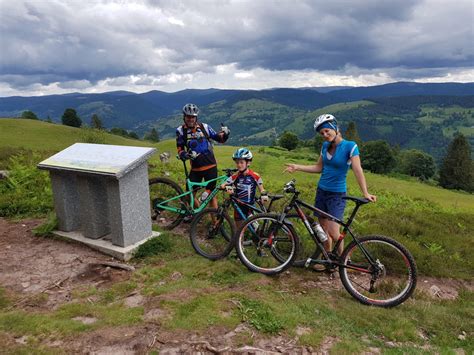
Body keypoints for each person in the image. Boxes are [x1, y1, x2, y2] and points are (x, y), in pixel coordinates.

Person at [284, 114, 376, 267]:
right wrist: (297, 167)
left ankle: (345, 263)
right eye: (322, 133)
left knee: (334, 232)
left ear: (335, 128)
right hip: (322, 192)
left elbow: (357, 170)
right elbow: (319, 167)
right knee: (324, 231)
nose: (325, 135)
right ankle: (328, 260)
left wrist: (365, 193)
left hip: (337, 194)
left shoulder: (350, 146)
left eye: (327, 131)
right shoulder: (325, 146)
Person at [176, 103, 230, 211]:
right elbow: (180, 149)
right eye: (188, 116)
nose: (190, 119)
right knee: (189, 195)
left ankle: (215, 223)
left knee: (211, 196)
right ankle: (199, 213)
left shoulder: (204, 127)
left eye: (193, 117)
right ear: (184, 117)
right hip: (195, 168)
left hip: (210, 166)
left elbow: (219, 139)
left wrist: (226, 134)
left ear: (196, 117)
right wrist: (184, 155)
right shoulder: (181, 131)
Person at [221, 148, 268, 228]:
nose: (239, 165)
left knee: (255, 230)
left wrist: (264, 195)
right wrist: (229, 188)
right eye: (237, 163)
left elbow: (262, 189)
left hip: (250, 208)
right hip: (238, 207)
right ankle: (240, 241)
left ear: (248, 163)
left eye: (242, 162)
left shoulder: (255, 176)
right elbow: (223, 185)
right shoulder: (235, 176)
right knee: (239, 230)